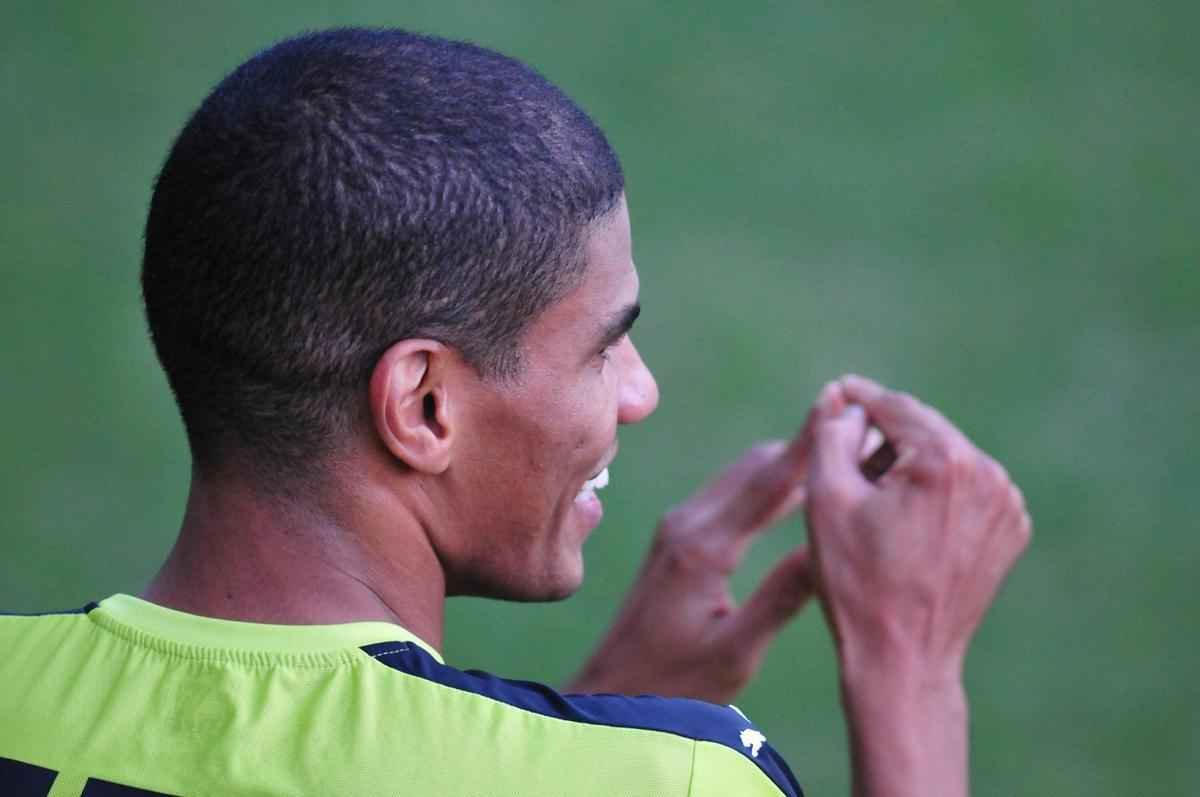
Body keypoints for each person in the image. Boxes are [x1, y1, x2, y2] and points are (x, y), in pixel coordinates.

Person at [0, 28, 1030, 797]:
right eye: (604, 345)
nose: (641, 391)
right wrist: (909, 672)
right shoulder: (684, 781)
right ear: (425, 405)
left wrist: (608, 698)